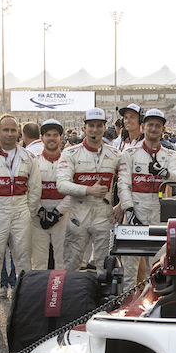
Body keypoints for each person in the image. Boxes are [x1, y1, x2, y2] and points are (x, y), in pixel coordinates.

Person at [0, 114, 40, 329]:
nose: (10, 134)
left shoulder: (29, 158)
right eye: (6, 130)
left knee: (23, 262)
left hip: (21, 211)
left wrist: (25, 211)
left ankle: (24, 309)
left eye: (13, 130)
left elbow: (35, 190)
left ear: (19, 133)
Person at [118, 109, 176, 290]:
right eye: (150, 124)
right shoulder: (129, 154)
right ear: (143, 127)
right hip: (135, 211)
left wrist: (164, 173)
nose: (153, 128)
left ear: (163, 129)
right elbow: (123, 185)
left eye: (157, 125)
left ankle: (157, 297)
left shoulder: (171, 154)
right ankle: (128, 301)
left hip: (160, 212)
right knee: (130, 264)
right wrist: (129, 211)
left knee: (159, 261)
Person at [57, 108, 122, 274]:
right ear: (84, 127)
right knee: (72, 264)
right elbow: (62, 185)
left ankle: (104, 300)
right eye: (91, 125)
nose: (95, 129)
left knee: (106, 266)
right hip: (79, 213)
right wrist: (89, 190)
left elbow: (126, 182)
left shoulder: (115, 154)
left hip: (104, 214)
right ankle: (72, 298)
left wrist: (121, 204)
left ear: (104, 127)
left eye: (99, 125)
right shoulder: (70, 152)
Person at [31, 119, 70, 270]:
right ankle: (39, 293)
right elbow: (29, 190)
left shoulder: (69, 161)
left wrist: (58, 212)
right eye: (48, 135)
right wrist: (39, 211)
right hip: (38, 219)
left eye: (55, 135)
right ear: (42, 138)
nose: (51, 138)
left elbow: (73, 190)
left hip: (62, 218)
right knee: (38, 263)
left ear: (61, 138)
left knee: (62, 262)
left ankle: (62, 294)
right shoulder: (33, 161)